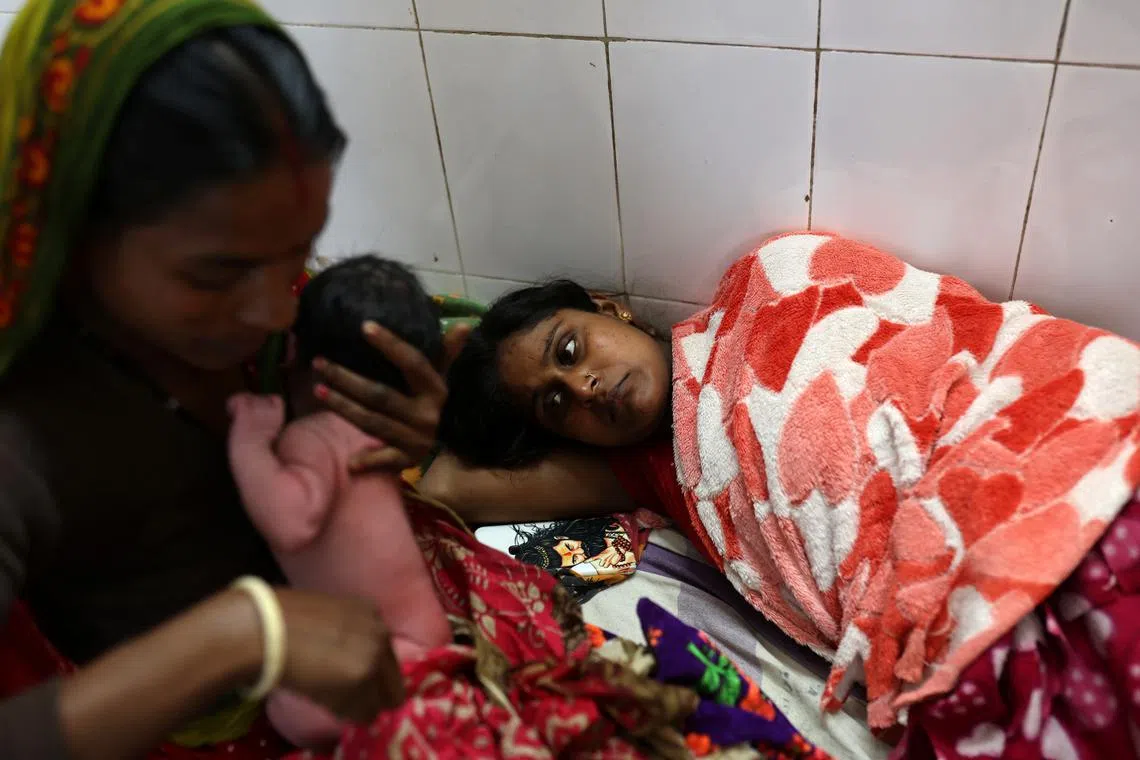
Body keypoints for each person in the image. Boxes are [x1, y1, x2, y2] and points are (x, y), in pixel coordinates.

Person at [0, 2, 460, 758]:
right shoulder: (22, 429)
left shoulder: (245, 321)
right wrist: (243, 634)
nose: (277, 312)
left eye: (300, 251)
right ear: (71, 232)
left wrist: (393, 427)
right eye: (218, 273)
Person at [227, 256, 450, 749]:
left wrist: (248, 442)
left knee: (288, 709)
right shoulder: (379, 440)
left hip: (375, 647)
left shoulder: (310, 438)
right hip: (425, 631)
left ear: (290, 350)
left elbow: (291, 523)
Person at [424, 280, 687, 534]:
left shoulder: (726, 313)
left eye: (569, 350)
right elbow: (444, 485)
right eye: (556, 403)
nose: (582, 389)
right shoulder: (651, 472)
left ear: (610, 311)